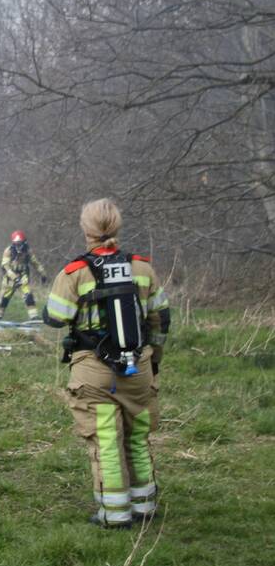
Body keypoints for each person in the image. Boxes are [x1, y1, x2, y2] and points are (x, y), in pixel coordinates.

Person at [43, 199, 171, 529]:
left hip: (94, 372)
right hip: (139, 368)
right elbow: (161, 319)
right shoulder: (142, 268)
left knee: (106, 441)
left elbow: (56, 317)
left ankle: (113, 514)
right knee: (137, 438)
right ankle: (144, 505)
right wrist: (153, 361)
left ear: (86, 230)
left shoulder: (76, 272)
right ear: (117, 227)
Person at [0, 230, 48, 320]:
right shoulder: (8, 251)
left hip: (23, 277)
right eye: (16, 244)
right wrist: (14, 278)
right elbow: (5, 266)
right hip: (10, 279)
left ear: (24, 242)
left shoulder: (27, 251)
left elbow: (35, 263)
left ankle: (34, 317)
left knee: (28, 297)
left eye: (20, 244)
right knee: (4, 299)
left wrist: (43, 273)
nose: (18, 246)